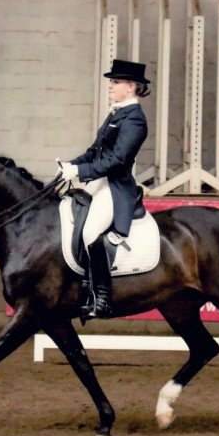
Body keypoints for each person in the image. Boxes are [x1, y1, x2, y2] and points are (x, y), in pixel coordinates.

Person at [58, 59, 151, 318]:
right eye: (112, 81)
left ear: (131, 87)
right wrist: (70, 165)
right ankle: (81, 285)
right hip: (97, 181)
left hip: (115, 186)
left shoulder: (135, 120)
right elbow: (94, 151)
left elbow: (118, 160)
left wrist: (80, 172)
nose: (110, 85)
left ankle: (102, 297)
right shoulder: (117, 113)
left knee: (90, 233)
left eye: (116, 81)